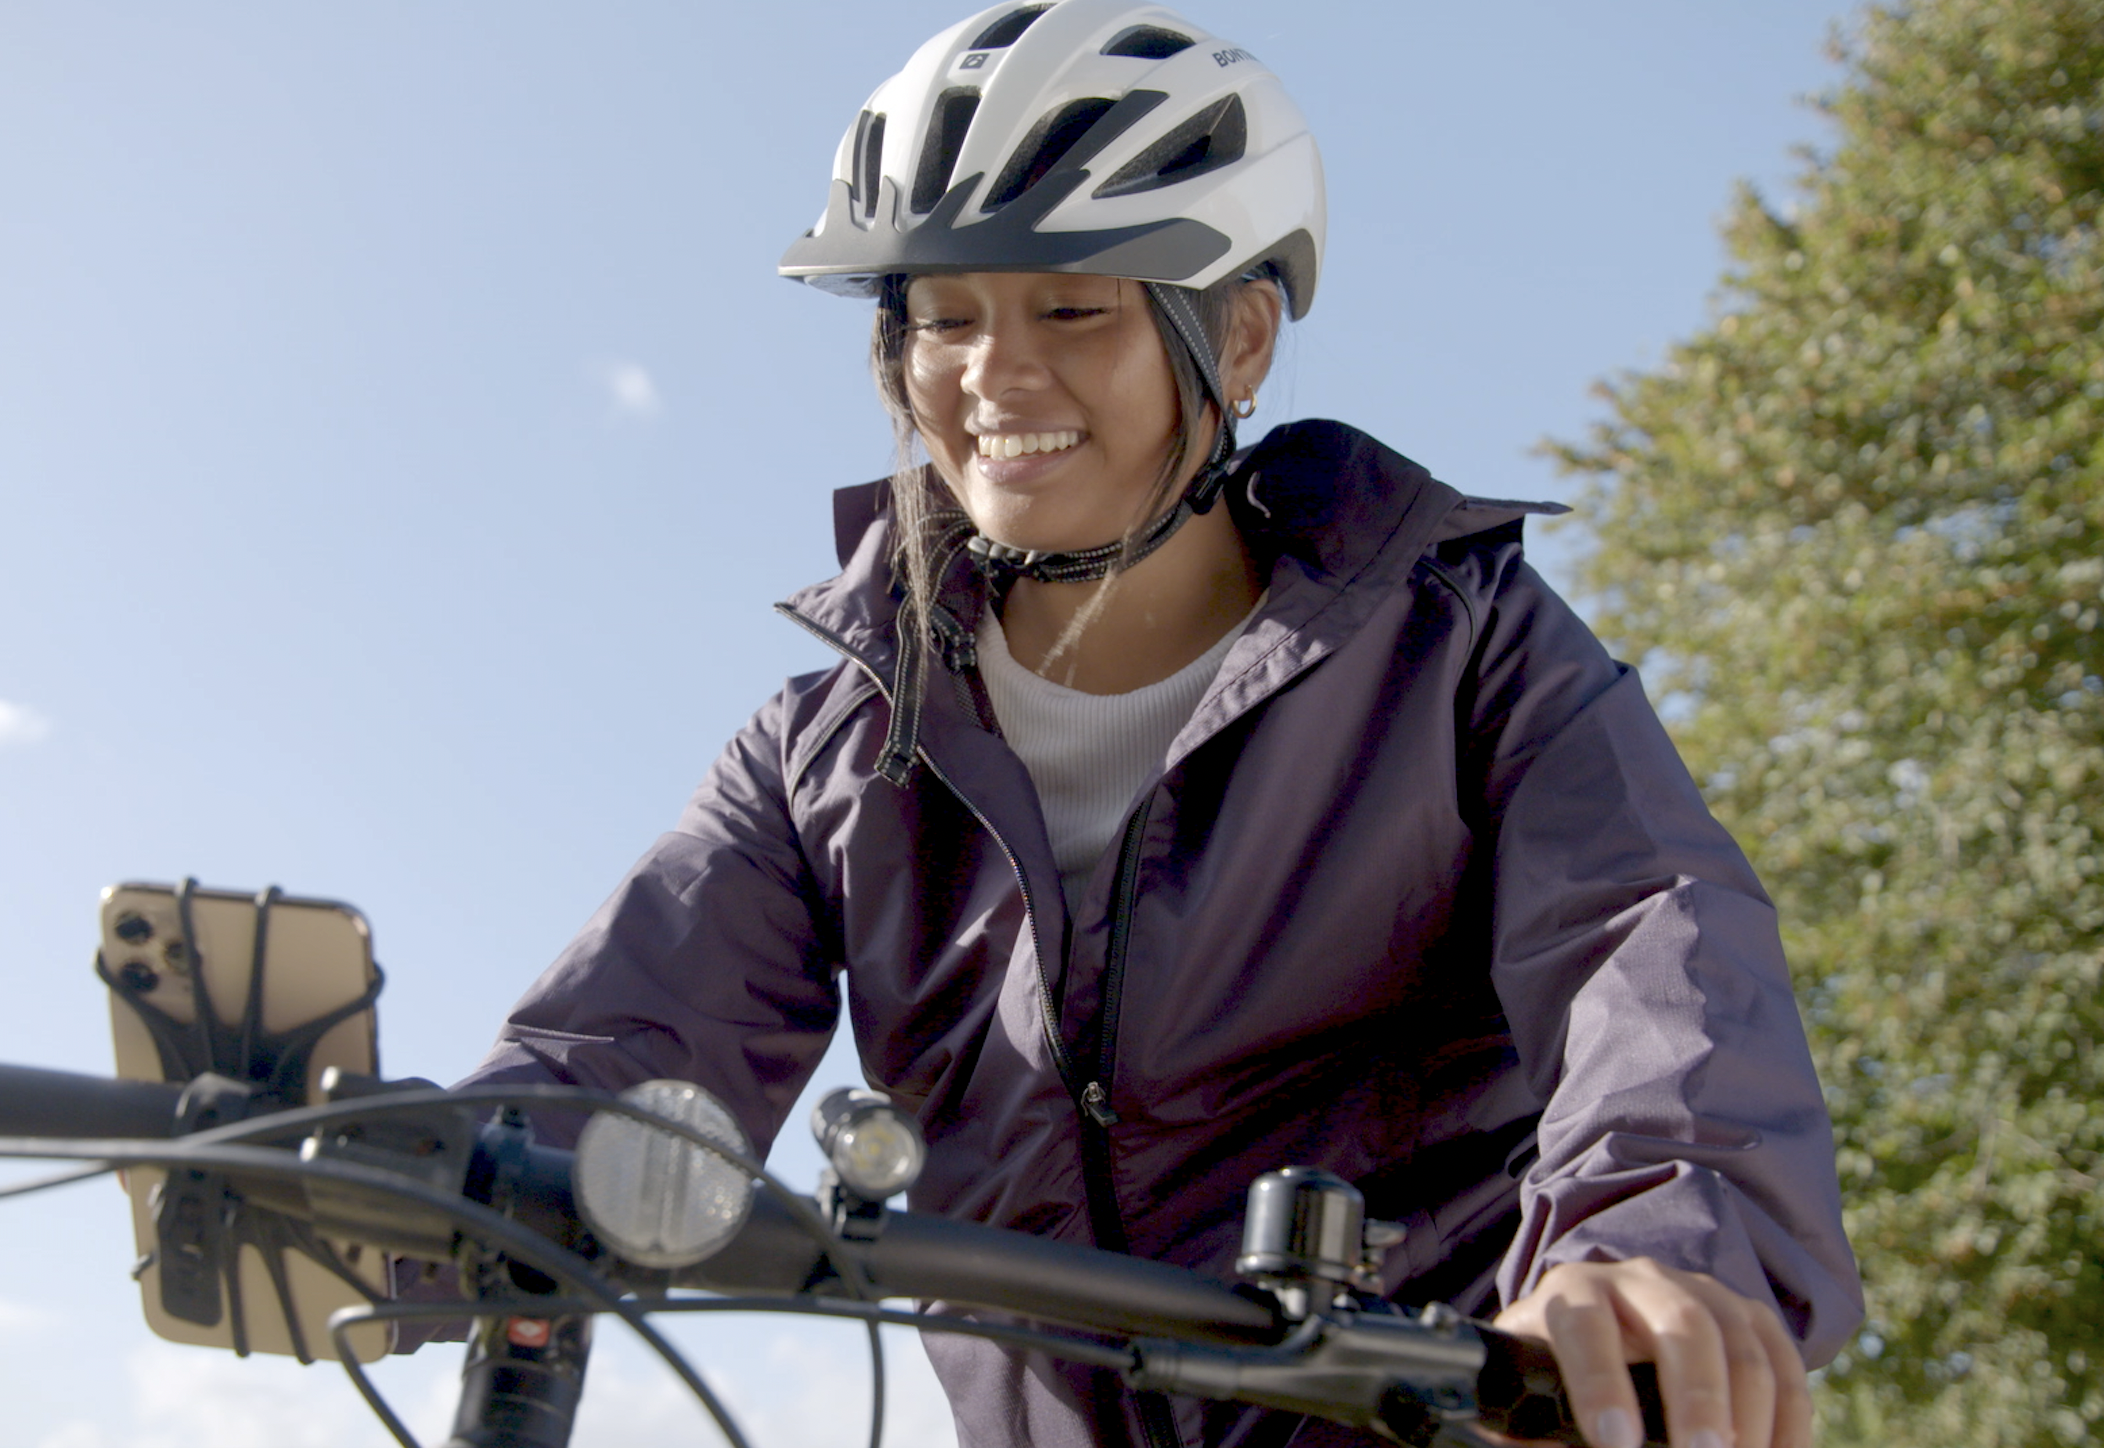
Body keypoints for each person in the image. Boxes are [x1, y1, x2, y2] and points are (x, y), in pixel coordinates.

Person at [461, 3, 1864, 1445]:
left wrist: (1649, 1249)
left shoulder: (1457, 647)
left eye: (1073, 307)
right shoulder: (830, 755)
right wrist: (389, 1185)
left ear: (1238, 337)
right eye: (945, 317)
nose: (993, 374)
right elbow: (612, 1054)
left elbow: (1653, 944)